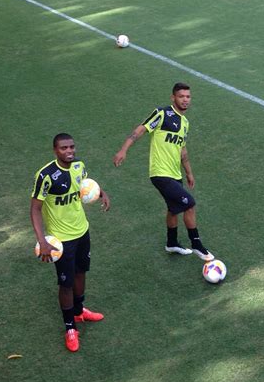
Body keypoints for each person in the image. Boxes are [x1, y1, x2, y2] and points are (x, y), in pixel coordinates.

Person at [113, 82, 214, 261]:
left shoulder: (185, 123)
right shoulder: (162, 114)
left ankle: (172, 243)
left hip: (175, 174)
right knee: (189, 204)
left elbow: (183, 150)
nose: (185, 100)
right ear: (173, 97)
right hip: (160, 173)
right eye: (181, 96)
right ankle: (197, 244)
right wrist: (123, 149)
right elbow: (141, 129)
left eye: (188, 97)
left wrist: (189, 172)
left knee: (173, 209)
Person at [30, 134, 111, 352]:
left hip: (82, 232)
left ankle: (79, 310)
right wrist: (42, 241)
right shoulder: (46, 175)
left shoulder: (79, 166)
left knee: (81, 273)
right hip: (61, 240)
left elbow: (84, 185)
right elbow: (35, 208)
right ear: (55, 150)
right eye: (64, 148)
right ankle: (70, 327)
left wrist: (101, 192)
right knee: (65, 283)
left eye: (72, 147)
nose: (69, 151)